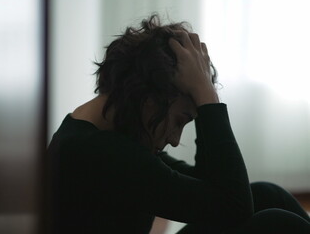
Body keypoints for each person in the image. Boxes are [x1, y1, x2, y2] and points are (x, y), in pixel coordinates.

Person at [47, 14, 310, 233]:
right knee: (274, 224)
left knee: (267, 195)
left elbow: (211, 185)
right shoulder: (99, 153)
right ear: (150, 98)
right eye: (180, 120)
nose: (174, 139)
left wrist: (203, 100)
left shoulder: (101, 133)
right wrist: (208, 100)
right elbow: (233, 206)